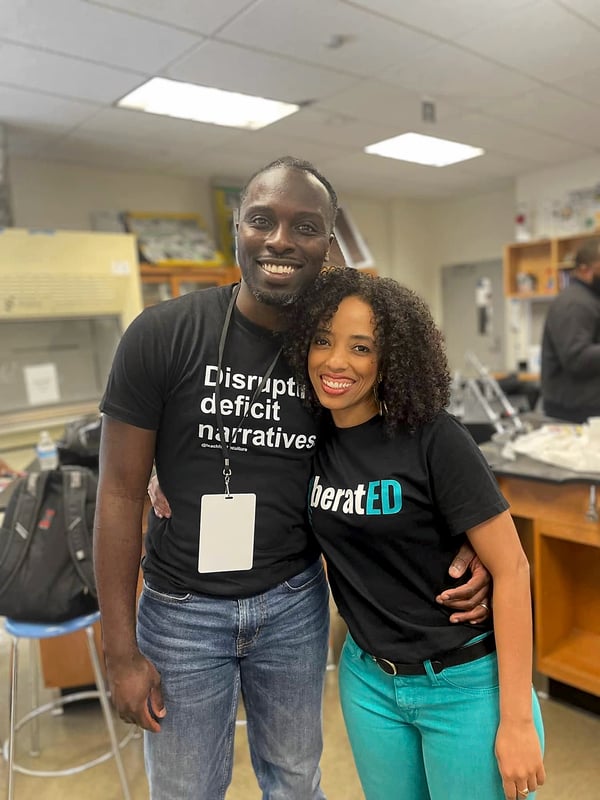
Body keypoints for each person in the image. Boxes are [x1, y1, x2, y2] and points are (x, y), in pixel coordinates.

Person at [94, 156, 491, 800]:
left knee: (296, 784)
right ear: (238, 230)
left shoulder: (331, 355)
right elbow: (116, 493)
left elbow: (410, 450)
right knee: (186, 791)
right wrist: (118, 650)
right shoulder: (162, 335)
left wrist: (467, 535)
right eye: (261, 221)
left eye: (305, 227)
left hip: (293, 604)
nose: (280, 240)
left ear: (327, 244)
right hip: (181, 612)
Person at [280, 267, 545, 800]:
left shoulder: (434, 438)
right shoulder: (310, 439)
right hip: (369, 681)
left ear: (391, 359)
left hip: (463, 684)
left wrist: (517, 720)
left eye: (361, 347)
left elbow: (512, 569)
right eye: (323, 341)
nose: (335, 361)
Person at [541, 237, 600, 423]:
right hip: (575, 413)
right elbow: (577, 358)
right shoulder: (575, 303)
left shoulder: (589, 299)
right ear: (585, 270)